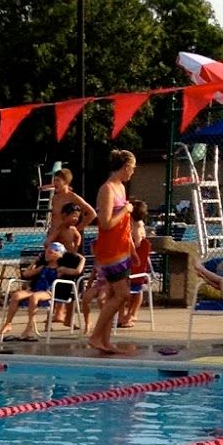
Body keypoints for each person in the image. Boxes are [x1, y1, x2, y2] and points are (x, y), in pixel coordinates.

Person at [87, 148, 137, 355]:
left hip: (122, 248)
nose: (133, 172)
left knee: (113, 296)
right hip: (110, 251)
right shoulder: (107, 189)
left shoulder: (121, 188)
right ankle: (95, 336)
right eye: (132, 168)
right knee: (123, 295)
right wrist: (125, 210)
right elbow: (105, 223)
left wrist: (132, 249)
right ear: (125, 166)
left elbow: (123, 226)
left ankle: (106, 341)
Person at [0, 241, 66, 343]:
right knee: (16, 295)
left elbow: (75, 273)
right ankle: (8, 323)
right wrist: (34, 262)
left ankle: (29, 326)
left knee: (34, 297)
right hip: (35, 290)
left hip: (49, 292)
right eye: (46, 252)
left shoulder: (60, 269)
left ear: (58, 255)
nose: (46, 254)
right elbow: (26, 274)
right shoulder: (43, 267)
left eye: (50, 252)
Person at [121, 200, 153, 329]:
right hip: (133, 261)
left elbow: (138, 242)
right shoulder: (132, 223)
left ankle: (132, 313)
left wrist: (128, 243)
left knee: (136, 288)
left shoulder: (137, 225)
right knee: (131, 289)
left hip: (136, 262)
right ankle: (126, 313)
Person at [46, 166, 93, 245]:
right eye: (54, 180)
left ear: (66, 182)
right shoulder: (55, 198)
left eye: (58, 180)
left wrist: (76, 229)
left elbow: (92, 214)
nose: (55, 183)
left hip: (66, 239)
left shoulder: (73, 197)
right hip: (54, 237)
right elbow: (55, 217)